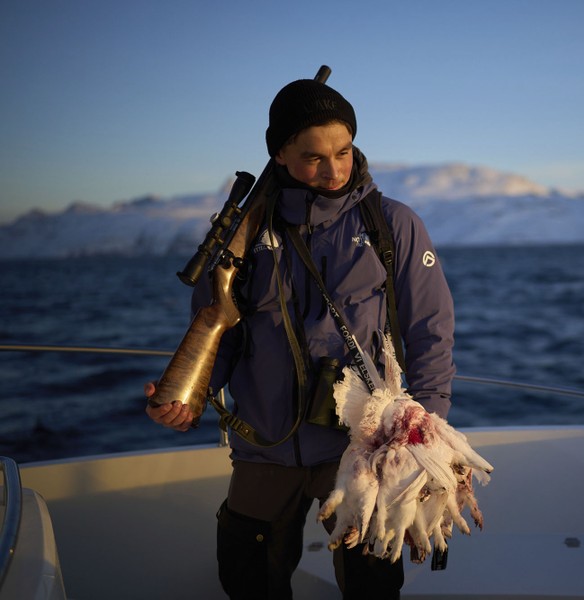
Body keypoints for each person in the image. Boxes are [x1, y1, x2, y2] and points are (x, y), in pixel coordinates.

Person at [144, 74, 456, 600]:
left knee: (372, 585)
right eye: (314, 157)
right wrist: (187, 398)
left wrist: (424, 426)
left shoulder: (391, 225)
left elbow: (431, 331)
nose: (334, 170)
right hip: (265, 445)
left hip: (363, 445)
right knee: (247, 578)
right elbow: (217, 334)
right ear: (281, 155)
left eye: (344, 150)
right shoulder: (242, 236)